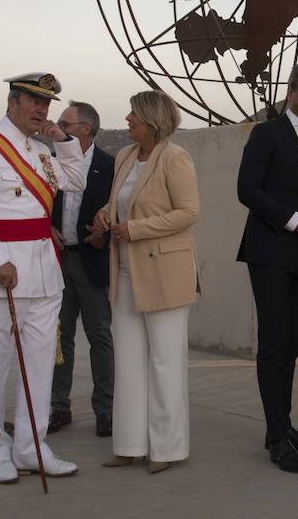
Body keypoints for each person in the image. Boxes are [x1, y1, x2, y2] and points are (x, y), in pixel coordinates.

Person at [0, 73, 87, 485]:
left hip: (44, 273)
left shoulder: (42, 151)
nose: (42, 111)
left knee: (40, 366)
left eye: (47, 104)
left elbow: (75, 181)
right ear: (13, 102)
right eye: (34, 102)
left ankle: (31, 447)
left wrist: (62, 139)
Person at [95, 91, 200, 474]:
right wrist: (104, 215)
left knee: (165, 362)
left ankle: (167, 449)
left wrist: (135, 228)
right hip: (124, 274)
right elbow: (115, 204)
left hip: (165, 272)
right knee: (128, 361)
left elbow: (189, 212)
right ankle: (128, 444)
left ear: (152, 120)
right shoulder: (124, 157)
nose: (126, 119)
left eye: (133, 115)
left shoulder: (175, 158)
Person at [237, 63, 298, 473]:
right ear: (291, 92)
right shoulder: (266, 134)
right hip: (269, 253)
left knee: (291, 344)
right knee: (275, 346)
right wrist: (297, 221)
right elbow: (247, 189)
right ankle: (277, 439)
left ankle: (282, 424)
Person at [48, 101, 116, 437]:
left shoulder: (110, 166)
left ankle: (105, 410)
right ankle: (59, 407)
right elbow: (37, 202)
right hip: (58, 261)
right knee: (60, 338)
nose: (58, 128)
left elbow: (119, 209)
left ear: (85, 130)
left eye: (65, 123)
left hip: (92, 261)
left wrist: (105, 233)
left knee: (100, 336)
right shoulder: (51, 163)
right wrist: (47, 228)